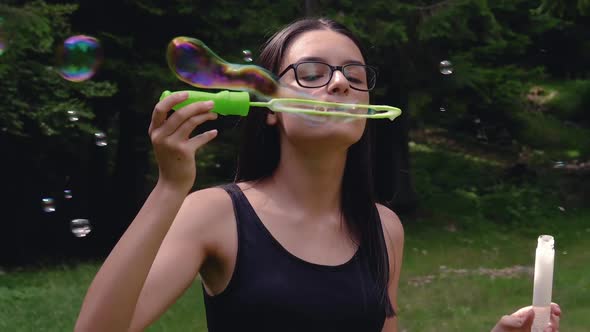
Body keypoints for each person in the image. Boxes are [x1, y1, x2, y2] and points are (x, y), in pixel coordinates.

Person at [74, 17, 561, 332]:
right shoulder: (216, 214)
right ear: (271, 107)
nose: (340, 82)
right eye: (311, 71)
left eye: (354, 72)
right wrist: (169, 188)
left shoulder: (383, 227)